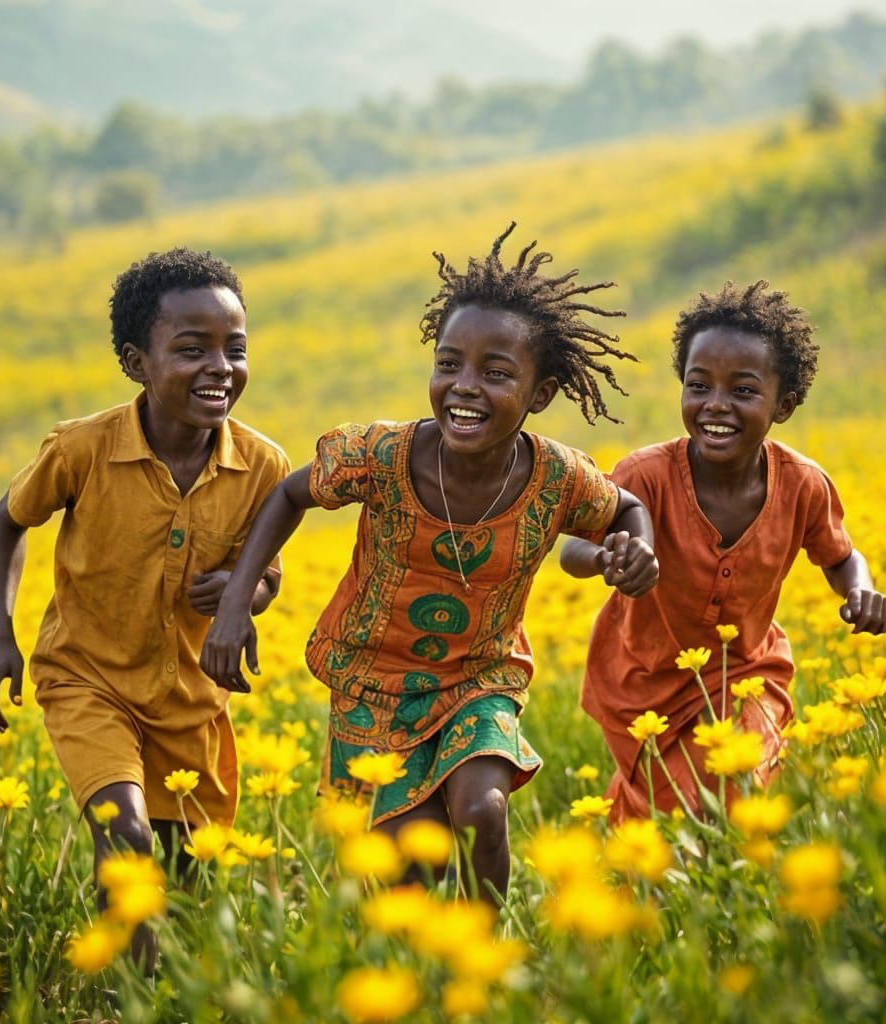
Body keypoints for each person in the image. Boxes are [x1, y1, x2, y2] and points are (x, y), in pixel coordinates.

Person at [200, 224, 659, 902]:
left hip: (479, 678)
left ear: (541, 393)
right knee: (409, 872)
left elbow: (624, 508)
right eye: (449, 365)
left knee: (481, 811)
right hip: (373, 684)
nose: (464, 388)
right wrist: (237, 601)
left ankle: (484, 957)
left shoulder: (558, 477)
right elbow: (290, 492)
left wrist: (636, 548)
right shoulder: (380, 456)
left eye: (496, 373)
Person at [0, 248, 290, 949]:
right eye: (190, 349)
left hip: (191, 701)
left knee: (184, 881)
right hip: (87, 678)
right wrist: (1, 636)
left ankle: (155, 978)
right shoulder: (82, 448)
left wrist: (247, 593)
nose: (220, 367)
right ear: (135, 362)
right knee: (127, 834)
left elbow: (265, 575)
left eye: (235, 349)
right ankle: (127, 996)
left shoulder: (264, 466)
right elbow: (8, 521)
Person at [560, 280, 886, 822]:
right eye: (699, 386)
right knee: (674, 816)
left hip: (747, 672)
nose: (716, 405)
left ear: (783, 405)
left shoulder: (803, 484)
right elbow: (573, 546)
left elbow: (840, 557)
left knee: (738, 788)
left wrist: (862, 590)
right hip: (642, 685)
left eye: (742, 391)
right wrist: (608, 558)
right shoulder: (645, 475)